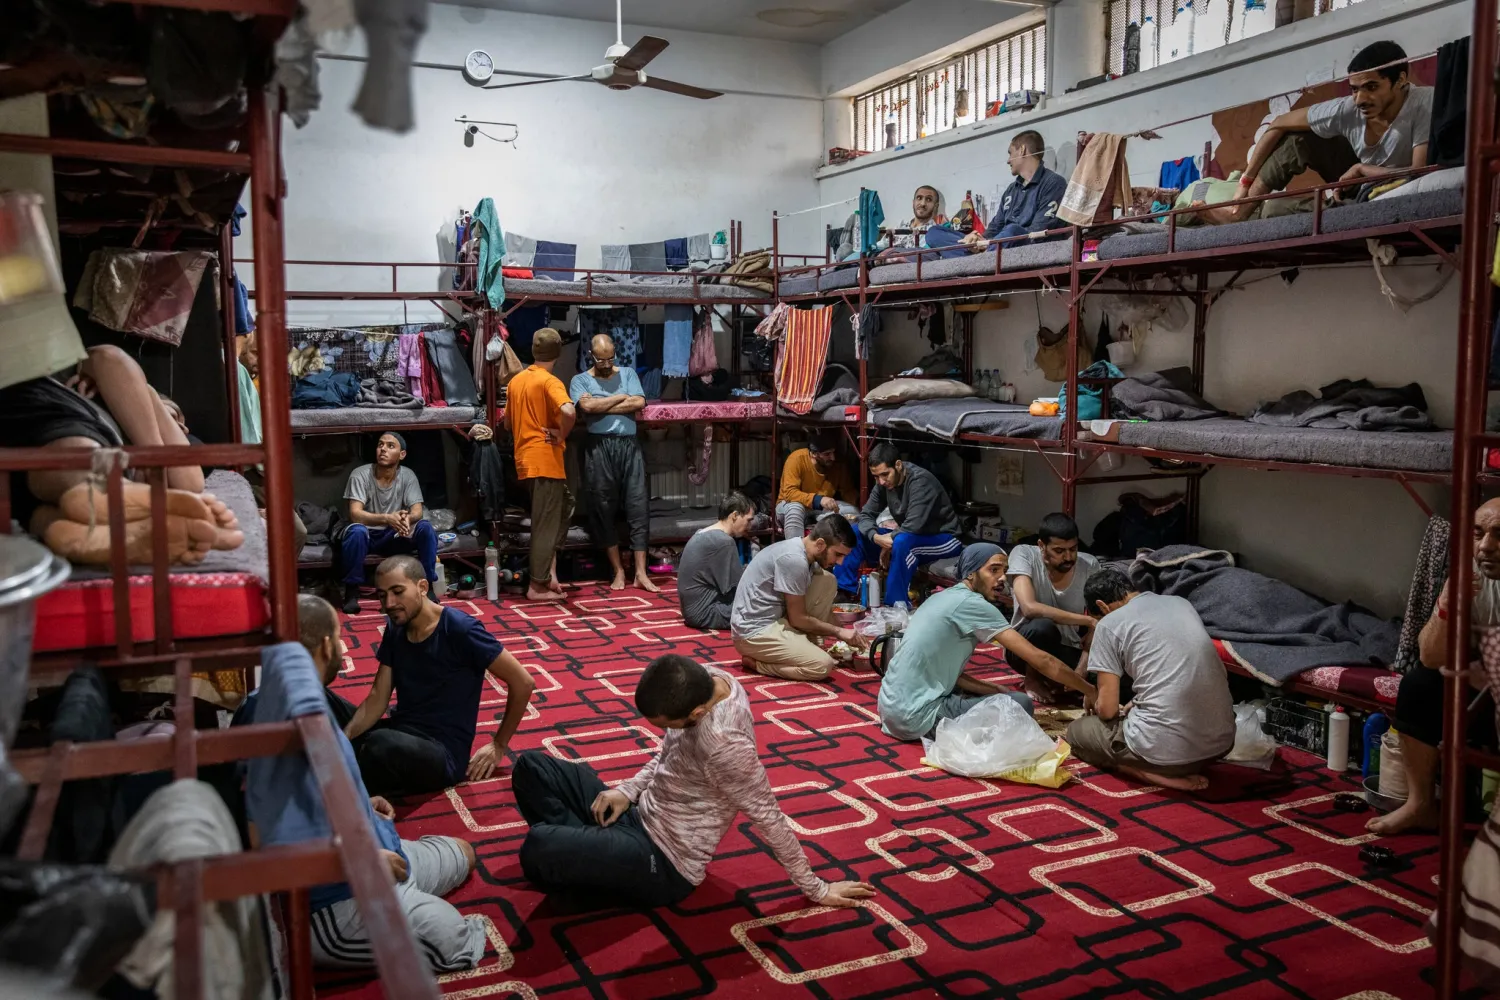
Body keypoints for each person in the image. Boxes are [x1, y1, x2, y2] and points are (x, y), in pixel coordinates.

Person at [511, 654, 876, 909]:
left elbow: (769, 817)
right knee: (531, 767)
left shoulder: (725, 747)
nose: (664, 731)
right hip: (638, 813)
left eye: (666, 724)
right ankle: (590, 856)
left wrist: (816, 889)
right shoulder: (708, 679)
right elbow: (670, 751)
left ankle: (588, 856)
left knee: (540, 845)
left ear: (698, 713)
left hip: (665, 861)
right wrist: (628, 790)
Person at [242, 628, 486, 972]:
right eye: (337, 636)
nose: (344, 647)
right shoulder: (271, 721)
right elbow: (262, 844)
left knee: (464, 852)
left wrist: (361, 801)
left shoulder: (307, 698)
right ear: (325, 646)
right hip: (337, 901)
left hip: (384, 850)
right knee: (454, 941)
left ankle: (407, 902)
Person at [0, 344, 243, 567]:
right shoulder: (104, 388)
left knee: (46, 504)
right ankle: (92, 506)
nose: (179, 424)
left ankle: (78, 529)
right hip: (62, 434)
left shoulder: (178, 439)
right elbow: (108, 357)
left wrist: (154, 404)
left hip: (32, 477)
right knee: (75, 457)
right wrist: (149, 402)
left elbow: (189, 482)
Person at [344, 555, 536, 799]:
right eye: (382, 595)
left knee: (379, 744)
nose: (389, 603)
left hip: (442, 754)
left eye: (398, 592)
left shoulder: (460, 629)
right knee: (326, 704)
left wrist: (499, 744)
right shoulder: (396, 626)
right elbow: (377, 698)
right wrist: (343, 737)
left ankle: (343, 790)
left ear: (423, 587)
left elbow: (523, 682)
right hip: (402, 731)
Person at [1369, 498, 1500, 836]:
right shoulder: (1471, 574)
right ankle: (1422, 805)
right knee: (1420, 684)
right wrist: (1447, 604)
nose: (1486, 546)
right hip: (1486, 688)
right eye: (1478, 533)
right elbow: (1430, 656)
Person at [879, 544, 1099, 741]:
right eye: (993, 570)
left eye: (1004, 571)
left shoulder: (941, 597)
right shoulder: (972, 604)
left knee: (998, 696)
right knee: (1019, 704)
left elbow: (945, 673)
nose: (1002, 578)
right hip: (915, 718)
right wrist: (1089, 690)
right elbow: (1041, 660)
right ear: (971, 573)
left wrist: (994, 689)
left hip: (889, 710)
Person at [1205, 41, 1431, 225]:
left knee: (1274, 209)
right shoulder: (1348, 109)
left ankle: (1337, 207)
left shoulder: (1424, 102)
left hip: (1392, 184)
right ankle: (1238, 214)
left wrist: (1362, 169)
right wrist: (1245, 182)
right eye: (1354, 89)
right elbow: (1278, 124)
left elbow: (1418, 172)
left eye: (1371, 87)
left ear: (1401, 80)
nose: (1360, 99)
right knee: (1298, 139)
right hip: (1357, 183)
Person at [1064, 569, 1236, 792]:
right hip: (1221, 744)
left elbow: (1107, 711)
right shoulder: (1180, 603)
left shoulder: (1109, 623)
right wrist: (1136, 703)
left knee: (1076, 733)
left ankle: (1146, 773)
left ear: (1102, 606)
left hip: (1165, 756)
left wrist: (1097, 702)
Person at [731, 515, 870, 681]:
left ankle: (805, 644)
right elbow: (798, 619)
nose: (840, 562)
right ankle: (757, 664)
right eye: (838, 554)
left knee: (827, 580)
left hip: (776, 619)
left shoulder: (804, 550)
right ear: (820, 544)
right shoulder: (794, 560)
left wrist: (847, 635)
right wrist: (839, 632)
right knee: (822, 665)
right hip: (754, 632)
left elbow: (819, 604)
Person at [569, 333, 656, 593]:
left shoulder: (628, 373)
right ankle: (618, 569)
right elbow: (587, 409)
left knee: (638, 504)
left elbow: (639, 402)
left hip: (629, 445)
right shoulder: (580, 380)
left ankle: (640, 572)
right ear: (591, 356)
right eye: (601, 360)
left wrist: (601, 404)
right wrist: (621, 398)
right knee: (602, 505)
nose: (607, 364)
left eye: (610, 359)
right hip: (598, 447)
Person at [506, 327, 576, 602]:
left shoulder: (516, 381)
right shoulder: (550, 381)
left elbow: (508, 423)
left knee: (564, 507)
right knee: (546, 523)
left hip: (525, 459)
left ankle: (548, 573)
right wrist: (561, 433)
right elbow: (569, 410)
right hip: (545, 459)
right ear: (558, 353)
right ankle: (537, 585)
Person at [854, 443, 962, 609]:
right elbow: (865, 515)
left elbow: (913, 525)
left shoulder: (920, 481)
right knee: (855, 532)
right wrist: (876, 537)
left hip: (944, 539)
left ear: (898, 465)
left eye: (885, 474)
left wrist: (889, 542)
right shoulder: (883, 484)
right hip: (910, 536)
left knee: (902, 542)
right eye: (876, 476)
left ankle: (895, 607)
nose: (881, 481)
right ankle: (845, 593)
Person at [339, 431, 437, 614]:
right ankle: (351, 592)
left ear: (402, 454)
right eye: (380, 445)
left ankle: (428, 585)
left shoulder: (407, 475)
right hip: (368, 535)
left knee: (425, 528)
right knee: (356, 531)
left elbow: (417, 511)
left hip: (394, 534)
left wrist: (405, 519)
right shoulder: (360, 474)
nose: (383, 449)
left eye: (390, 446)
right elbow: (355, 514)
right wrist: (387, 518)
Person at [1007, 513, 1100, 703]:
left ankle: (1055, 680)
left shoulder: (1089, 565)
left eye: (1073, 549)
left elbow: (1098, 624)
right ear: (1042, 545)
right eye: (1059, 551)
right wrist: (1088, 620)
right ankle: (1032, 678)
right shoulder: (1024, 554)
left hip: (1064, 649)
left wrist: (1081, 669)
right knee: (1043, 626)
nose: (1068, 557)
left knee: (1110, 682)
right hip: (1024, 649)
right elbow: (1030, 608)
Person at [955, 130, 1067, 249]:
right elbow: (995, 227)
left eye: (1010, 153)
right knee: (940, 233)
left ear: (1022, 150)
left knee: (1013, 231)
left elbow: (1038, 231)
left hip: (1031, 248)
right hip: (1001, 247)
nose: (1008, 160)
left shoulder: (1054, 183)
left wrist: (989, 244)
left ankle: (981, 254)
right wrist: (978, 238)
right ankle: (974, 252)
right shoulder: (1011, 190)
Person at [677, 491, 755, 630]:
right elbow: (738, 589)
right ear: (734, 515)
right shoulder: (724, 542)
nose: (749, 526)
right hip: (707, 613)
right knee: (765, 603)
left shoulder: (702, 533)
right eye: (748, 520)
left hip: (692, 612)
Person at [776, 430, 857, 540]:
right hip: (789, 505)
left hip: (820, 509)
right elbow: (789, 493)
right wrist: (818, 500)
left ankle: (843, 549)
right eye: (827, 454)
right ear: (814, 454)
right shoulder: (796, 459)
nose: (832, 458)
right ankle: (795, 548)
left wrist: (859, 505)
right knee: (795, 508)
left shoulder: (837, 464)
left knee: (852, 512)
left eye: (833, 452)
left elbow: (848, 491)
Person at [879, 184, 945, 256]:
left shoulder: (933, 232)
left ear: (936, 206)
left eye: (928, 199)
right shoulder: (900, 226)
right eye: (919, 198)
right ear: (913, 202)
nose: (923, 203)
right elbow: (879, 246)